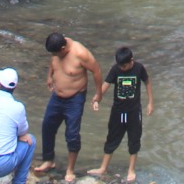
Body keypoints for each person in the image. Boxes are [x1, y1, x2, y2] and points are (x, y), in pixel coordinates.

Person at [35, 30, 102, 183]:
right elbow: (53, 60)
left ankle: (70, 169)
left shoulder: (81, 54)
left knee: (72, 135)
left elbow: (96, 71)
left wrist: (98, 94)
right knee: (47, 126)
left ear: (64, 49)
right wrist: (49, 76)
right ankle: (48, 160)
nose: (55, 55)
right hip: (56, 97)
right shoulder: (57, 47)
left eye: (57, 53)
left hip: (75, 99)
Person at [87, 46, 154, 184]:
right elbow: (105, 85)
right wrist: (96, 98)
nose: (122, 68)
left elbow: (147, 82)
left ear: (131, 60)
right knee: (112, 138)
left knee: (134, 139)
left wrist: (150, 102)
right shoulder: (115, 69)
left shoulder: (139, 68)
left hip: (134, 111)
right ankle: (103, 167)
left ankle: (131, 169)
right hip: (118, 111)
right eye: (120, 66)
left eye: (124, 66)